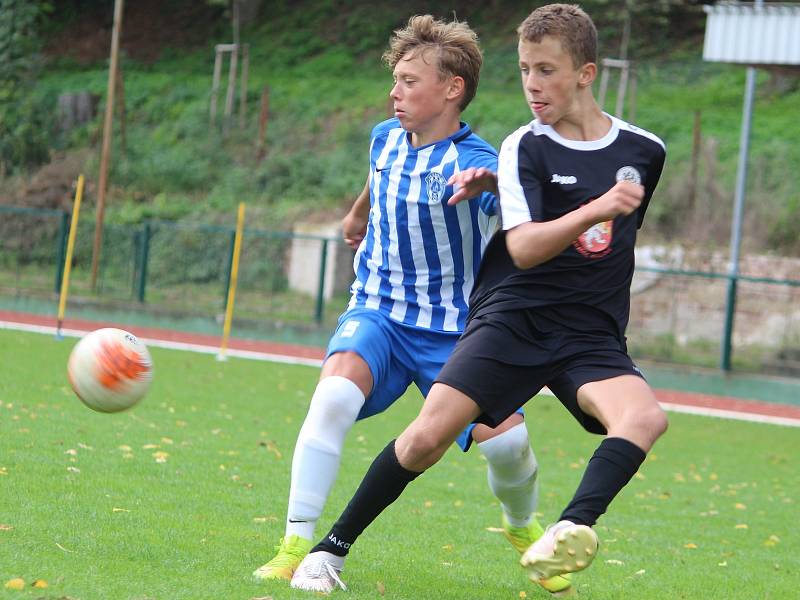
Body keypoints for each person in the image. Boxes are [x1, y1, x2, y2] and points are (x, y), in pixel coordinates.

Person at [290, 3, 668, 594]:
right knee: (424, 439)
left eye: (546, 70)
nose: (532, 85)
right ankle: (326, 551)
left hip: (589, 333)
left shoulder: (646, 151)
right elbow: (524, 248)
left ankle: (568, 529)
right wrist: (592, 205)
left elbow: (608, 239)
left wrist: (559, 199)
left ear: (586, 73)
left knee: (645, 418)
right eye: (524, 71)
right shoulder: (522, 147)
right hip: (511, 321)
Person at [254, 14, 570, 596]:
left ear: (452, 89)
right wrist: (357, 212)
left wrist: (497, 186)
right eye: (394, 80)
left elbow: (527, 205)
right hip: (377, 312)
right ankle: (294, 547)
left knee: (510, 445)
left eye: (408, 82)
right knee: (331, 399)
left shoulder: (476, 161)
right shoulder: (385, 137)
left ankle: (523, 527)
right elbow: (379, 177)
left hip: (456, 332)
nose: (394, 93)